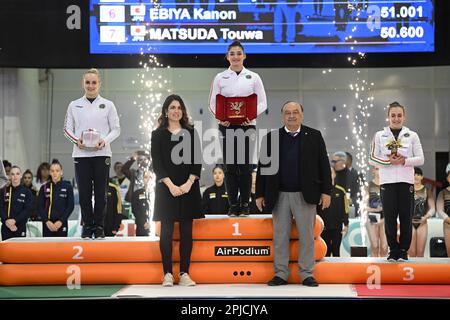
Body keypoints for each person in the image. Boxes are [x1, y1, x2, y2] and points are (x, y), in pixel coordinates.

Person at [256, 101, 332, 287]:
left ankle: (306, 274)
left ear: (302, 115)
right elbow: (262, 168)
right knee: (280, 236)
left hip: (305, 195)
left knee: (306, 236)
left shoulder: (314, 136)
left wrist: (326, 191)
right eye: (288, 112)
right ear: (283, 116)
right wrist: (259, 193)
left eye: (295, 112)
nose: (292, 115)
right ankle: (281, 273)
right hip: (278, 195)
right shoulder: (271, 138)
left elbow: (324, 165)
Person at [209, 41, 267, 217]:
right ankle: (233, 205)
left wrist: (251, 116)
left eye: (238, 53)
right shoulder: (220, 77)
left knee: (246, 167)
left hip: (247, 126)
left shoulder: (254, 77)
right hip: (226, 127)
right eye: (232, 53)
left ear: (244, 56)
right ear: (227, 57)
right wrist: (220, 118)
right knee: (230, 167)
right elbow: (212, 102)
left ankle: (245, 204)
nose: (235, 57)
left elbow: (263, 102)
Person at [151, 94, 203, 287]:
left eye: (179, 107)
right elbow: (157, 163)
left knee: (186, 232)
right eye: (172, 107)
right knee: (166, 232)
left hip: (188, 187)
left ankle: (184, 273)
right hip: (166, 189)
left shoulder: (191, 132)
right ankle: (167, 274)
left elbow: (197, 160)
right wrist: (171, 186)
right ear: (166, 111)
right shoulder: (157, 135)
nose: (176, 111)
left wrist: (188, 184)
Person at [63, 68, 121, 239]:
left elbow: (116, 129)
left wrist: (105, 141)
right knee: (85, 193)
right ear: (83, 83)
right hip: (81, 155)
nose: (90, 85)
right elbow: (67, 129)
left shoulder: (108, 105)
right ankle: (88, 226)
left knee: (101, 193)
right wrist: (76, 141)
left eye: (94, 82)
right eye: (87, 82)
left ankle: (100, 227)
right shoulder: (74, 105)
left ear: (99, 84)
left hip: (102, 153)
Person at [369, 101, 424, 262]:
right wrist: (388, 162)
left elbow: (420, 159)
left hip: (406, 182)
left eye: (399, 115)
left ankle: (403, 250)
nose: (396, 118)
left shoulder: (412, 135)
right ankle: (393, 250)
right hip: (387, 183)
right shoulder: (380, 135)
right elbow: (372, 158)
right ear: (388, 117)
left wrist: (404, 161)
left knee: (406, 216)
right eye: (393, 115)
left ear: (404, 117)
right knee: (390, 217)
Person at [37, 160, 75, 237]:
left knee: (62, 248)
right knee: (47, 248)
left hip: (61, 223)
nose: (55, 173)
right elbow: (39, 207)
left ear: (61, 172)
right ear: (50, 173)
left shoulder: (68, 187)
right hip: (47, 224)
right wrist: (47, 222)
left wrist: (61, 221)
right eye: (52, 171)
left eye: (57, 171)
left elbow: (70, 206)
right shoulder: (44, 188)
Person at [318, 167, 349, 257]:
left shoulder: (341, 190)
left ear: (335, 175)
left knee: (336, 252)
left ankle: (337, 271)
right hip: (323, 226)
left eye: (331, 172)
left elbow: (345, 208)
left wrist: (346, 224)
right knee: (325, 252)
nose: (329, 174)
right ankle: (325, 271)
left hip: (337, 226)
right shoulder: (320, 191)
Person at [0, 166, 33, 240]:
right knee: (6, 251)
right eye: (12, 174)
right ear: (9, 176)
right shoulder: (3, 191)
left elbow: (27, 210)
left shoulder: (27, 192)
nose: (15, 176)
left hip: (20, 227)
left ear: (21, 176)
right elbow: (0, 208)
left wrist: (15, 221)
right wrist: (7, 221)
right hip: (6, 227)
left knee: (20, 251)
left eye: (17, 174)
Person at [408, 167, 435, 257]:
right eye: (414, 174)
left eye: (418, 174)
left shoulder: (427, 191)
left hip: (422, 223)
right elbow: (402, 207)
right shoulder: (407, 190)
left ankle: (420, 271)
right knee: (411, 252)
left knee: (420, 252)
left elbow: (432, 208)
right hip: (409, 223)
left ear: (422, 177)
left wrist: (425, 217)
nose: (416, 176)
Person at [365, 166, 388, 257]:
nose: (379, 171)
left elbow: (392, 205)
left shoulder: (387, 185)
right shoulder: (368, 185)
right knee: (374, 246)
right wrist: (375, 210)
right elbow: (363, 205)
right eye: (377, 168)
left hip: (385, 217)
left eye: (381, 168)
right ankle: (375, 266)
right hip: (372, 217)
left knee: (384, 246)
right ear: (373, 170)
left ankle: (384, 269)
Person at [131, 170, 152, 236]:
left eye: (150, 177)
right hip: (142, 226)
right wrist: (144, 222)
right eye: (146, 177)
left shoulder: (159, 194)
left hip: (157, 226)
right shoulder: (137, 193)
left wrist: (153, 222)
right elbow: (135, 210)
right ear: (142, 179)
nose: (148, 179)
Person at [436, 163, 450, 257]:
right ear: (448, 178)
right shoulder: (443, 193)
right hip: (448, 223)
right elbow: (440, 210)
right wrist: (447, 218)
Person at [345, 151, 362, 216]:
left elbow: (360, 190)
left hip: (353, 204)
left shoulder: (357, 174)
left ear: (349, 160)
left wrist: (352, 199)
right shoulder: (338, 174)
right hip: (340, 203)